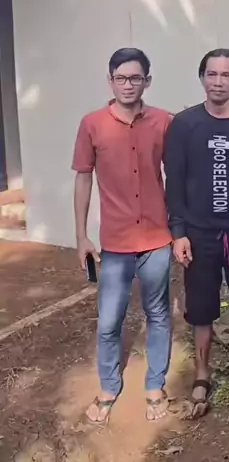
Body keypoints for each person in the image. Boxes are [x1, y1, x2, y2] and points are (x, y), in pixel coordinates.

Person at [164, 48, 229, 418]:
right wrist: (178, 232)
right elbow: (175, 182)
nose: (218, 81)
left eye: (226, 75)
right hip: (199, 232)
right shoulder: (184, 124)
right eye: (212, 74)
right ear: (202, 78)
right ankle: (202, 374)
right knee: (201, 308)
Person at [72, 47, 173, 425]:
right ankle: (109, 386)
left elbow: (178, 175)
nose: (128, 84)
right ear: (110, 81)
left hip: (157, 239)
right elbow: (83, 178)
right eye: (121, 78)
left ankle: (155, 385)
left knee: (158, 314)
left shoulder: (164, 122)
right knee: (109, 320)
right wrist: (81, 236)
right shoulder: (92, 124)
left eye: (135, 78)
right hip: (115, 243)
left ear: (147, 81)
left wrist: (180, 230)